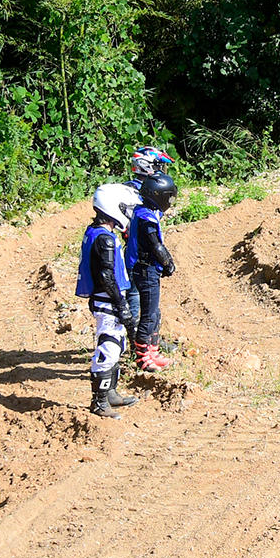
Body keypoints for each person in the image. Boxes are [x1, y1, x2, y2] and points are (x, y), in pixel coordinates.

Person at [77, 183, 142, 418]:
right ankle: (99, 401)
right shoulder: (104, 238)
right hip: (107, 300)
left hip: (106, 298)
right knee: (109, 346)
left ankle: (111, 393)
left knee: (118, 343)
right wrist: (121, 305)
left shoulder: (97, 232)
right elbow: (106, 274)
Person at [121, 146, 174, 338]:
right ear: (146, 166)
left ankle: (150, 340)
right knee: (135, 295)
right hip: (137, 251)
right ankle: (136, 341)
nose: (161, 170)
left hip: (144, 251)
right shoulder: (131, 191)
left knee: (149, 299)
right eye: (158, 165)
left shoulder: (150, 189)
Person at [127, 173, 178, 373]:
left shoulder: (144, 211)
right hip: (145, 269)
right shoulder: (146, 218)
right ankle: (142, 358)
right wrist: (168, 263)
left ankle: (153, 351)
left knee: (154, 313)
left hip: (146, 269)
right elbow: (156, 246)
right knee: (148, 315)